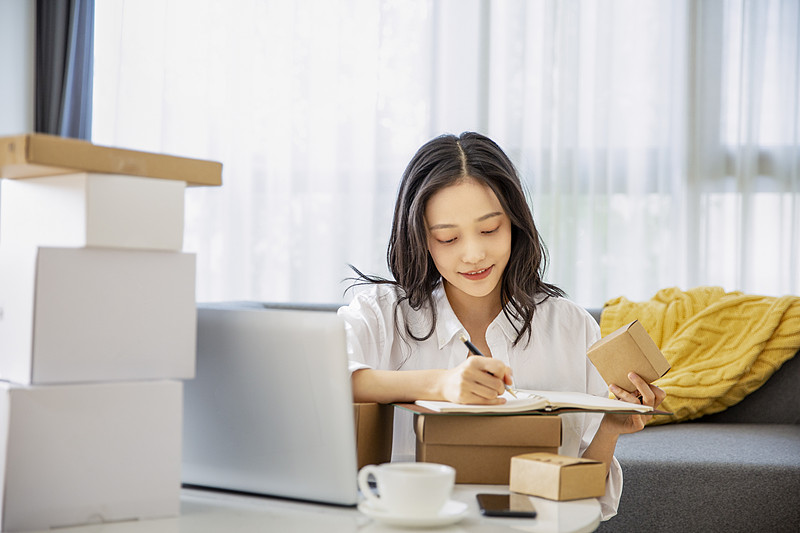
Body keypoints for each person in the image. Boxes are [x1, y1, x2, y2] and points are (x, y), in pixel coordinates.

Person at [338, 131, 665, 520]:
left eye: (490, 229)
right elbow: (324, 379)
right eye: (447, 238)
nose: (473, 253)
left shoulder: (570, 327)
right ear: (421, 239)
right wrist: (438, 385)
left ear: (514, 223)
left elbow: (584, 495)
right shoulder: (382, 314)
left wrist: (611, 428)